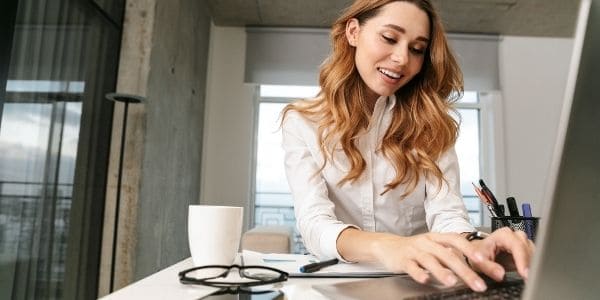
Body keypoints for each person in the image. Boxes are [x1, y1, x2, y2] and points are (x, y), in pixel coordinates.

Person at [280, 0, 534, 292]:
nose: (402, 59)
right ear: (353, 32)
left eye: (417, 49)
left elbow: (447, 215)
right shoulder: (302, 122)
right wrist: (390, 247)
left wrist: (477, 246)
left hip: (418, 284)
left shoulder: (432, 124)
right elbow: (314, 224)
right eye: (389, 38)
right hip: (337, 284)